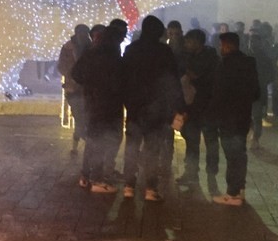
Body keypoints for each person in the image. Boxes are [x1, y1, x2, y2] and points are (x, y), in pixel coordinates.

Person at [121, 16, 184, 201]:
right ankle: (150, 187)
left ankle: (129, 185)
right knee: (152, 148)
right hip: (156, 108)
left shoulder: (132, 50)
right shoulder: (164, 51)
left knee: (132, 146)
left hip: (135, 106)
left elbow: (124, 77)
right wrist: (178, 106)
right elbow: (172, 81)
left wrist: (127, 100)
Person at [72, 20, 127, 193]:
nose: (124, 36)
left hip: (92, 101)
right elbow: (117, 79)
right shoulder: (111, 52)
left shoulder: (93, 50)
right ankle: (97, 179)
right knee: (105, 139)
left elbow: (76, 73)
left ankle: (85, 175)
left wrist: (90, 85)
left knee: (93, 138)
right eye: (123, 33)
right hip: (108, 103)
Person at [209, 32, 260, 206]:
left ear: (228, 45)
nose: (220, 48)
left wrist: (214, 113)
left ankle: (232, 193)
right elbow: (256, 92)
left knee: (232, 155)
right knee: (240, 153)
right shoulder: (249, 62)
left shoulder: (225, 64)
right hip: (243, 116)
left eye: (222, 45)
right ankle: (240, 189)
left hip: (228, 117)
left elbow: (218, 92)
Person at [178, 28, 220, 184]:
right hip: (194, 106)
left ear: (196, 42)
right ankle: (192, 172)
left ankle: (210, 172)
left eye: (189, 41)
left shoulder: (209, 59)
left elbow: (200, 79)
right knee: (192, 141)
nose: (186, 44)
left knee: (209, 141)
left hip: (206, 105)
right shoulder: (194, 56)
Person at [57, 25, 91, 154]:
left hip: (82, 88)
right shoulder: (69, 48)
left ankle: (76, 145)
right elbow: (61, 66)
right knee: (79, 117)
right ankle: (82, 142)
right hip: (75, 88)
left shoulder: (87, 47)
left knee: (81, 118)